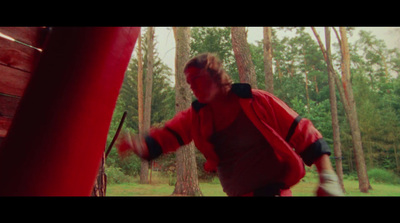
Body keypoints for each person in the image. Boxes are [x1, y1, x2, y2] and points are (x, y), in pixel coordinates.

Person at [116, 53, 344, 197]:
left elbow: (303, 132)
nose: (192, 86)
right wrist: (137, 144)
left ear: (215, 74)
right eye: (188, 82)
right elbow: (165, 138)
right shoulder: (196, 116)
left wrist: (329, 179)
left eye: (196, 79)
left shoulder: (258, 101)